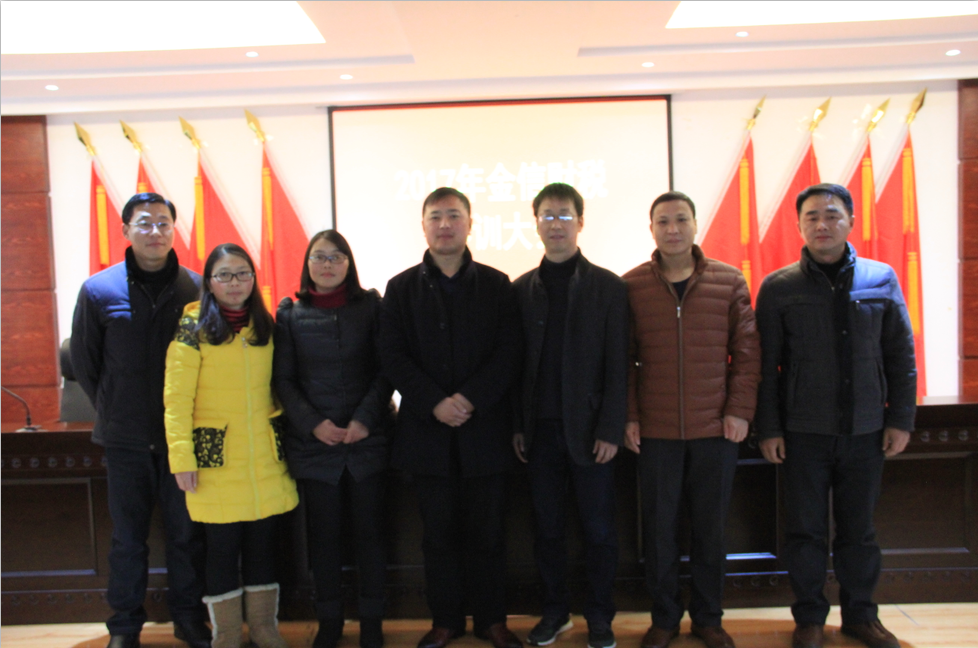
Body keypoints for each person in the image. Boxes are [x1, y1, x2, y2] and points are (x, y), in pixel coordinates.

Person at [755, 184, 916, 648]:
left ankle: (860, 616)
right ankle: (809, 618)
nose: (821, 224)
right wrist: (769, 428)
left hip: (866, 430)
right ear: (799, 225)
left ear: (850, 221)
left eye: (831, 215)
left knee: (859, 533)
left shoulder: (880, 278)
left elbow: (900, 354)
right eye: (811, 217)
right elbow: (765, 365)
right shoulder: (779, 287)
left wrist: (900, 419)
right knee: (804, 532)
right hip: (803, 433)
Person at [379, 187, 523, 648]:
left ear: (470, 224)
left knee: (489, 535)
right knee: (437, 536)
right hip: (428, 434)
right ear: (423, 226)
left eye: (454, 215)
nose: (445, 224)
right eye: (436, 216)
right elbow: (392, 356)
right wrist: (434, 402)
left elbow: (509, 352)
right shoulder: (400, 288)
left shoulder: (497, 284)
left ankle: (492, 620)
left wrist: (470, 399)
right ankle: (445, 621)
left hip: (486, 432)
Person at [71, 192, 210, 648]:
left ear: (174, 230)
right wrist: (117, 407)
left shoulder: (197, 288)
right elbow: (86, 365)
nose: (155, 232)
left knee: (186, 536)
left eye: (164, 223)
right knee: (128, 540)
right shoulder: (98, 290)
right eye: (145, 223)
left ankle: (189, 619)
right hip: (126, 440)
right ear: (126, 230)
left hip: (182, 439)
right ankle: (125, 626)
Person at [622, 191, 760, 648]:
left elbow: (747, 354)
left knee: (710, 531)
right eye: (663, 221)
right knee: (659, 532)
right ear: (651, 229)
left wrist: (738, 410)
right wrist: (630, 416)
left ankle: (708, 617)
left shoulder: (729, 280)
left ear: (695, 225)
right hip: (656, 432)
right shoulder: (632, 286)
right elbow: (622, 361)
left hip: (714, 431)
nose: (673, 229)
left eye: (681, 219)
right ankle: (664, 619)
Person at [164, 243, 299, 648]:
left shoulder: (266, 326)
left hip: (263, 460)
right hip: (214, 461)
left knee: (262, 550)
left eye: (242, 274)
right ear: (209, 282)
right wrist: (181, 458)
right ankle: (226, 636)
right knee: (221, 552)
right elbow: (176, 399)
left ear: (253, 279)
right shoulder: (192, 328)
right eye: (224, 275)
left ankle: (263, 629)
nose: (234, 283)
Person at [512, 183, 628, 648]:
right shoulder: (520, 290)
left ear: (580, 222)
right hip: (538, 432)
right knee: (547, 530)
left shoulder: (608, 287)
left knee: (599, 531)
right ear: (535, 223)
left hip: (591, 431)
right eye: (547, 215)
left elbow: (619, 363)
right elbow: (514, 366)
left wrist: (611, 428)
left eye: (564, 215)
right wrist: (518, 425)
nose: (555, 224)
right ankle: (555, 612)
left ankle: (600, 618)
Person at [274, 230, 395, 648]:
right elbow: (283, 380)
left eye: (336, 257)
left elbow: (387, 369)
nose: (327, 265)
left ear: (349, 263)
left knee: (371, 537)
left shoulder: (372, 307)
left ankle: (372, 623)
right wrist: (314, 424)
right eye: (319, 257)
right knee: (323, 540)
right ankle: (329, 622)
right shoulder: (290, 314)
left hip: (367, 442)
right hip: (315, 446)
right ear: (307, 264)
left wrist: (364, 420)